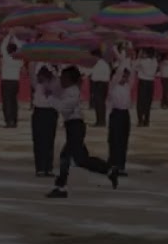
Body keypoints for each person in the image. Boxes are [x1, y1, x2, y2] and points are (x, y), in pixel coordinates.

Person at [46, 66, 119, 199]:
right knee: (81, 159)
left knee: (66, 157)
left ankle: (60, 187)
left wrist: (50, 99)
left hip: (75, 127)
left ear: (69, 79)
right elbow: (56, 90)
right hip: (73, 127)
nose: (61, 79)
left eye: (63, 77)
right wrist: (49, 80)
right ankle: (109, 170)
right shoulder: (68, 89)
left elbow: (65, 109)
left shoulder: (73, 92)